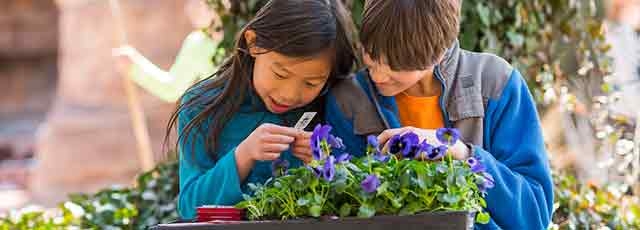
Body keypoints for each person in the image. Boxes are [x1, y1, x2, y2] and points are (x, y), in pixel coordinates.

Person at [325, 1, 554, 229]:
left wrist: (461, 154)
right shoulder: (349, 100)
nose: (379, 75)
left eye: (396, 65)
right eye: (370, 53)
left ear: (437, 54)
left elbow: (535, 216)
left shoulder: (495, 83)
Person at [168, 0, 357, 219]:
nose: (289, 94)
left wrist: (323, 163)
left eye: (311, 83)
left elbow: (356, 199)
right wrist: (243, 156)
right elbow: (191, 207)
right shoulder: (202, 105)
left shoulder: (334, 104)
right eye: (280, 74)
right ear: (253, 43)